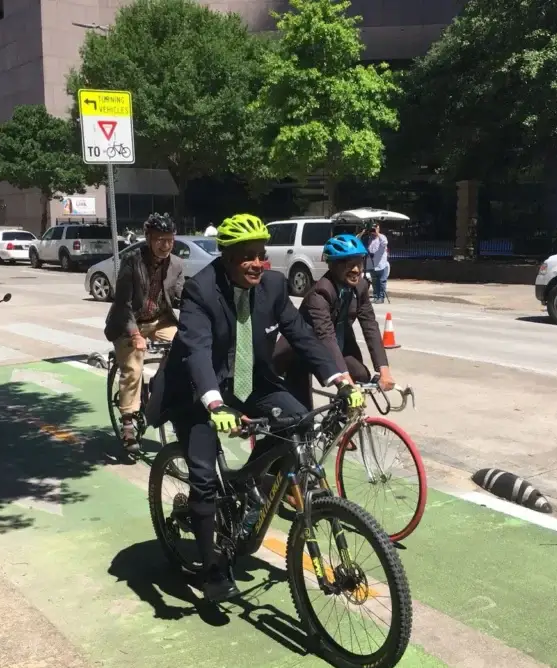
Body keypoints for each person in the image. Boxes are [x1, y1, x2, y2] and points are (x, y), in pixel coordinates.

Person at [146, 213, 364, 602]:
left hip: (251, 382)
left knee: (297, 418)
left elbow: (301, 336)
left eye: (261, 255)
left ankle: (249, 480)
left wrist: (339, 380)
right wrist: (214, 404)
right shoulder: (201, 289)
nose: (256, 264)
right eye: (246, 256)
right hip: (199, 388)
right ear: (226, 257)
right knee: (203, 476)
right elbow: (196, 350)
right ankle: (212, 568)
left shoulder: (274, 286)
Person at [276, 233, 395, 408]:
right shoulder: (320, 293)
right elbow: (326, 336)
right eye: (349, 264)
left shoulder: (360, 287)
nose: (356, 270)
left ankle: (338, 430)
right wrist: (345, 381)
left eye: (359, 263)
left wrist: (384, 370)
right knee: (302, 411)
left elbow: (370, 325)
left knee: (361, 376)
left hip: (339, 345)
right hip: (302, 351)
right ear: (332, 265)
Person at [104, 212, 185, 451]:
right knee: (133, 365)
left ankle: (157, 387)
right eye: (160, 239)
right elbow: (122, 304)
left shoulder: (177, 264)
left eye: (170, 239)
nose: (166, 245)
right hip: (129, 322)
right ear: (148, 238)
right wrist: (135, 335)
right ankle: (128, 420)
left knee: (184, 349)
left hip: (160, 320)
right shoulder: (132, 261)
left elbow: (180, 297)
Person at [366, 222, 390, 303]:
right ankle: (376, 296)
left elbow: (384, 243)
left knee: (382, 281)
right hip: (372, 264)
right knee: (374, 281)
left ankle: (381, 297)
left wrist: (377, 233)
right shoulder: (370, 238)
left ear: (379, 229)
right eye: (373, 229)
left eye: (376, 228)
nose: (374, 230)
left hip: (381, 264)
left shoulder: (382, 237)